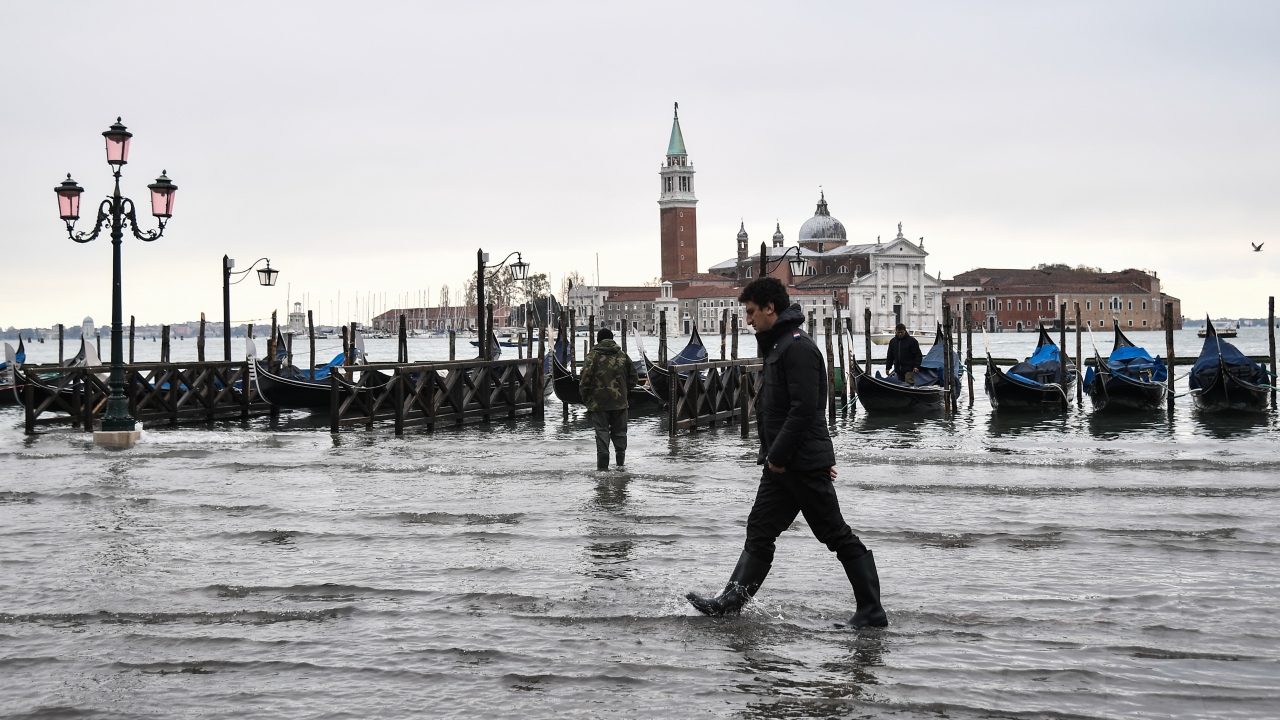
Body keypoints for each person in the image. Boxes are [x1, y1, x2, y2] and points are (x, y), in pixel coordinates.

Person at [685, 278, 887, 628]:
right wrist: (774, 457)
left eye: (750, 313)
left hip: (797, 463)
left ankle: (871, 611)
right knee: (760, 529)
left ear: (769, 309)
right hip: (782, 464)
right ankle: (729, 603)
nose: (747, 321)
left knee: (835, 535)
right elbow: (778, 410)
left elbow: (806, 410)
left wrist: (782, 456)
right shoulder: (779, 345)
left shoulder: (798, 348)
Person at [579, 327, 639, 471]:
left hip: (598, 404)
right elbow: (634, 378)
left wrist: (587, 399)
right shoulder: (623, 356)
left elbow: (584, 381)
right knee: (620, 435)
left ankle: (602, 474)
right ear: (612, 339)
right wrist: (624, 393)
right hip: (620, 403)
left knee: (602, 436)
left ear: (598, 340)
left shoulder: (592, 356)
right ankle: (620, 468)